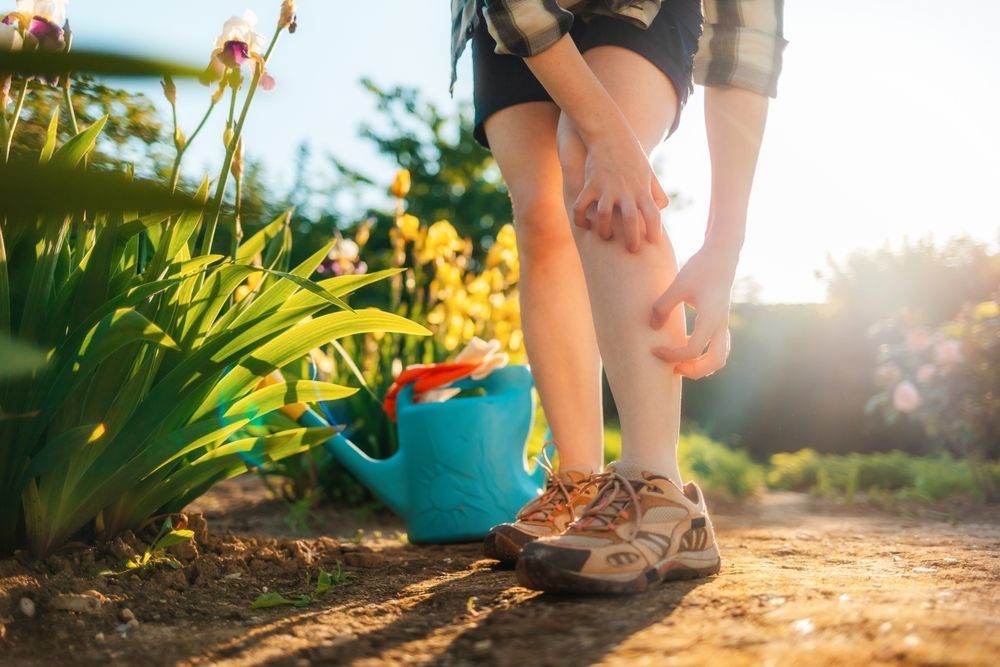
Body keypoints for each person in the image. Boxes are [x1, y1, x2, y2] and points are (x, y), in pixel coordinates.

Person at [449, 0, 786, 593]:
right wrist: (608, 137)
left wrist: (723, 248)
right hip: (511, 15)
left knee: (587, 156)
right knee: (542, 215)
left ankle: (657, 493)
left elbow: (744, 44)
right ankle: (581, 484)